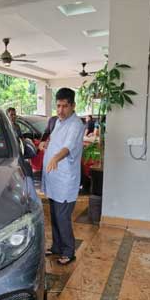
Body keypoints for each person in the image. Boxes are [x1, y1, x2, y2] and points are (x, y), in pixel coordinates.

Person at [40, 88, 85, 265]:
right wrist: (46, 144)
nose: (60, 110)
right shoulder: (59, 122)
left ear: (73, 105)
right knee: (54, 214)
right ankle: (57, 246)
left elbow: (68, 147)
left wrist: (55, 158)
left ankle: (68, 251)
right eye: (58, 106)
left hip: (65, 181)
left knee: (62, 217)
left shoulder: (76, 125)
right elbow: (57, 141)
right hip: (54, 179)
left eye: (64, 106)